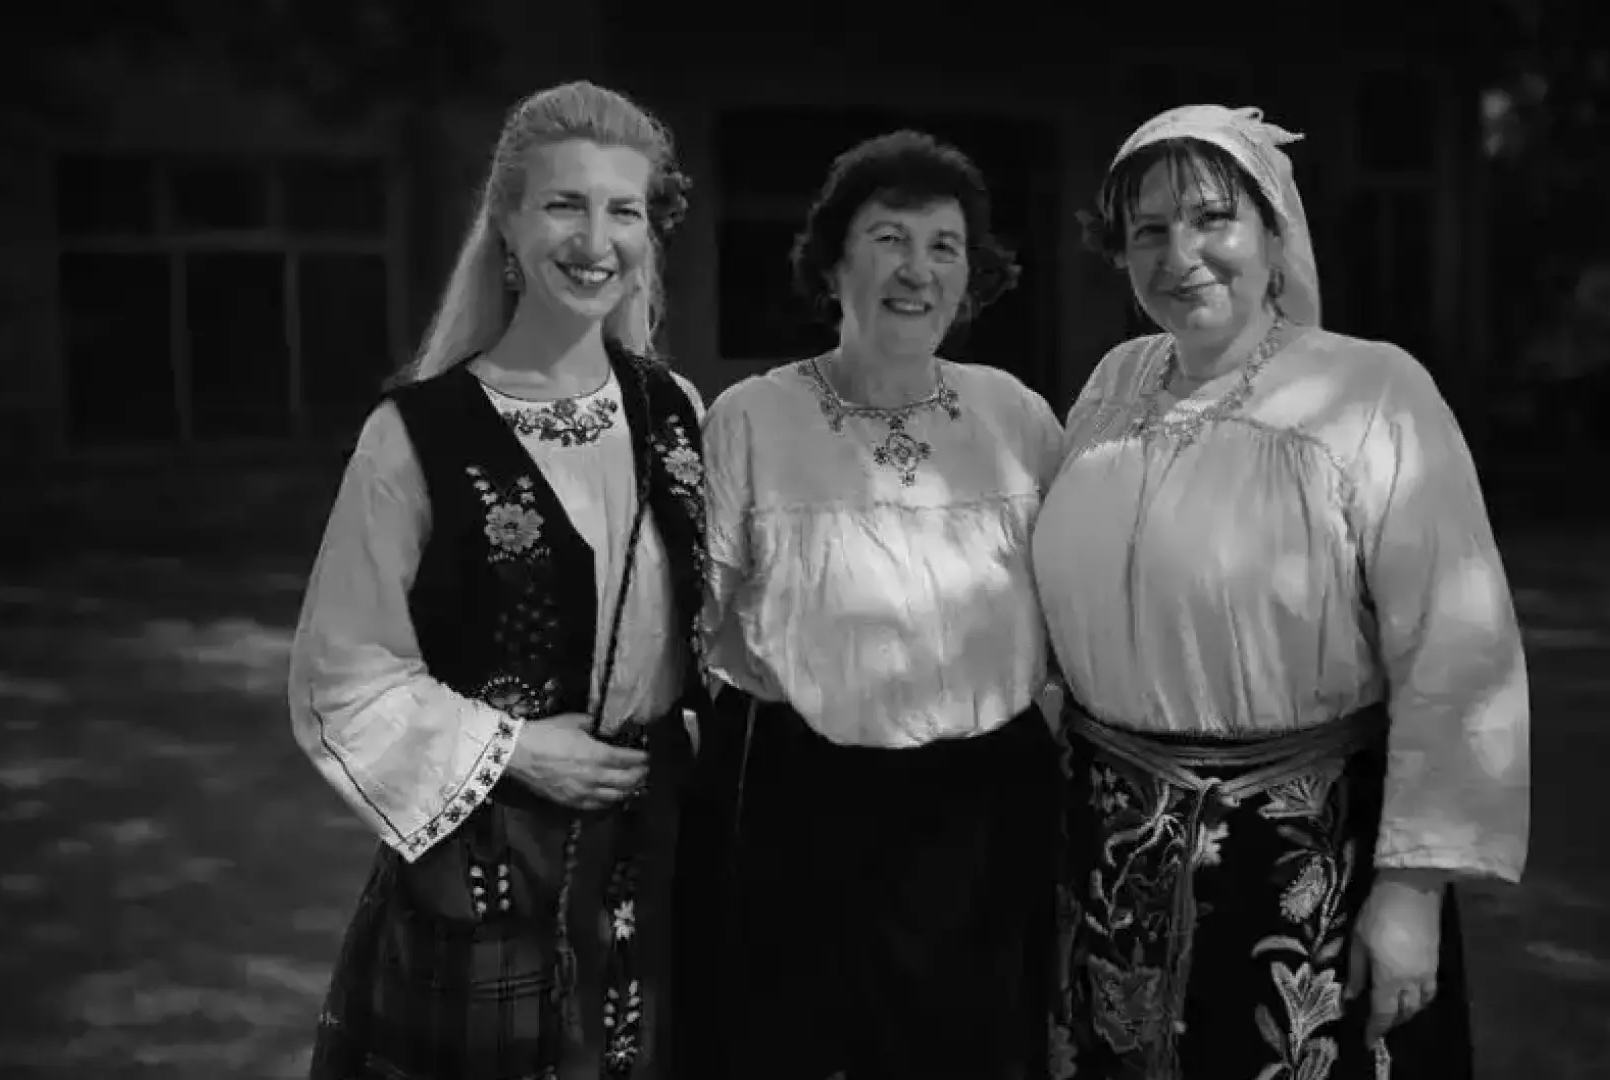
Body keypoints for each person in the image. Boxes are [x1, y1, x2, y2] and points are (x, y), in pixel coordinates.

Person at [1032, 104, 1531, 1079]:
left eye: (1212, 218)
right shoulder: (1113, 385)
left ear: (1273, 231)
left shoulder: (1370, 393)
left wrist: (1412, 891)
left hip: (1300, 860)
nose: (1181, 255)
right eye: (1148, 230)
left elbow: (1455, 649)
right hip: (1110, 857)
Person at [288, 80, 707, 1080]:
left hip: (661, 861)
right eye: (564, 204)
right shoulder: (412, 436)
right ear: (507, 224)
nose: (595, 240)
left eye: (623, 210)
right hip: (488, 871)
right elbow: (343, 672)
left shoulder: (677, 409)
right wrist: (514, 748)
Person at [684, 130, 1066, 1080]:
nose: (917, 270)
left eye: (945, 246)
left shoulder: (1017, 415)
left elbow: (1072, 602)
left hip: (984, 811)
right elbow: (694, 618)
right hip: (798, 802)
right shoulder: (751, 417)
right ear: (832, 265)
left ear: (972, 276)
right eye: (889, 239)